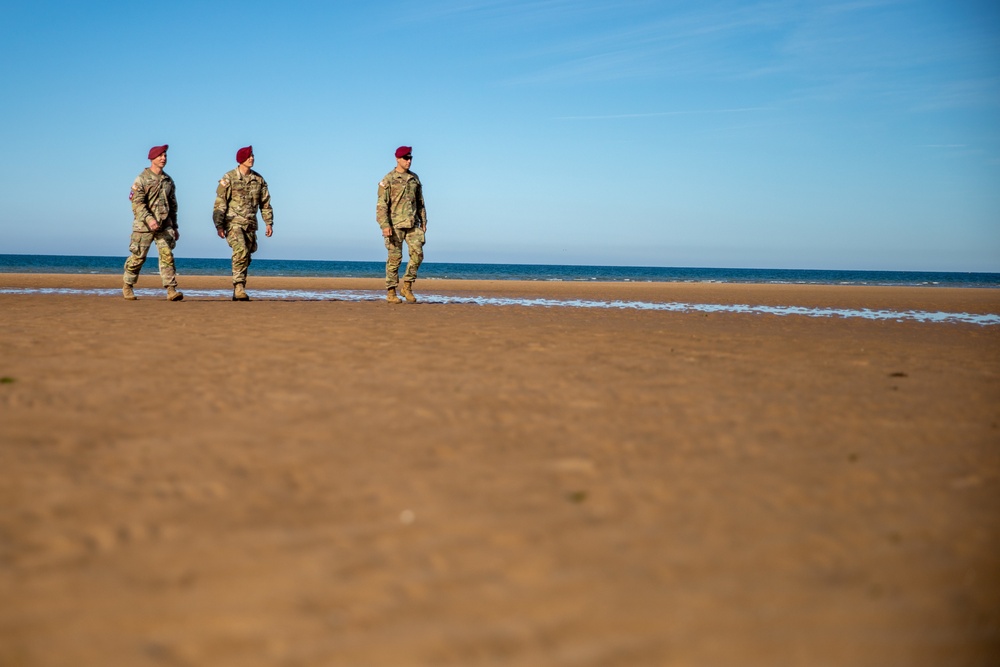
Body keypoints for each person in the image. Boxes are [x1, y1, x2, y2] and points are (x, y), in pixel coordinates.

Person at [123, 144, 184, 301]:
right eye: (160, 156)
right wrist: (149, 219)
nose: (163, 158)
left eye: (165, 156)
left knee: (167, 256)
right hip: (143, 227)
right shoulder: (142, 179)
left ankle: (171, 289)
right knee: (138, 257)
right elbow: (137, 203)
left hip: (164, 225)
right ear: (152, 158)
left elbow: (173, 206)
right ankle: (128, 285)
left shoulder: (168, 181)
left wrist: (175, 226)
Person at [213, 145, 274, 301]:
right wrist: (219, 224)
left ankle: (237, 290)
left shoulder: (258, 180)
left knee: (247, 254)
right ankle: (239, 286)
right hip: (233, 223)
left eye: (252, 155)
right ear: (241, 160)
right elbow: (220, 203)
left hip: (250, 224)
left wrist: (269, 223)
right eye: (248, 156)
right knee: (240, 249)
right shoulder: (229, 178)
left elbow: (265, 203)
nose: (252, 158)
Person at [377, 145, 427, 303]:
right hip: (394, 225)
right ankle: (391, 292)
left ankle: (407, 287)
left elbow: (420, 202)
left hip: (413, 224)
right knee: (394, 258)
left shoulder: (414, 178)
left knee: (418, 255)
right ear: (397, 159)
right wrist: (385, 225)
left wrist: (424, 221)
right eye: (406, 158)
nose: (409, 161)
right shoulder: (388, 179)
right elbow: (381, 205)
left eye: (410, 158)